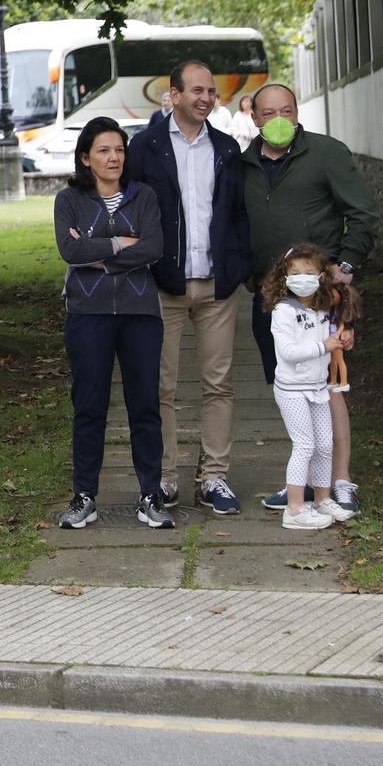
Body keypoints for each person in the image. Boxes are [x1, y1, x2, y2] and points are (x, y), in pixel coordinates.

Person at [238, 83, 380, 516]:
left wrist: (347, 264)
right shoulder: (244, 164)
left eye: (286, 110)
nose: (277, 119)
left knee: (329, 387)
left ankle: (340, 481)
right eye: (268, 112)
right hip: (271, 296)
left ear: (297, 112)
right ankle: (303, 480)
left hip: (320, 297)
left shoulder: (325, 153)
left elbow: (363, 213)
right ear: (254, 117)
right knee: (291, 388)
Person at [123, 61, 251, 515]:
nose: (205, 98)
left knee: (220, 384)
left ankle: (214, 477)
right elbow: (130, 209)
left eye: (211, 91)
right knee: (163, 387)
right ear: (173, 95)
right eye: (196, 90)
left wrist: (236, 267)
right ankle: (165, 478)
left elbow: (237, 213)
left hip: (217, 286)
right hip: (165, 287)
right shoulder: (145, 147)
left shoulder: (226, 149)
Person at [52, 116, 173, 532]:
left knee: (145, 407)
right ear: (86, 157)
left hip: (141, 314)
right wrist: (123, 243)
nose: (114, 157)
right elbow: (70, 249)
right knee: (89, 407)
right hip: (88, 315)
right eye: (103, 150)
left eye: (119, 149)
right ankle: (85, 495)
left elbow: (155, 246)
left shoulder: (144, 196)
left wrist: (97, 255)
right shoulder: (68, 199)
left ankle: (150, 494)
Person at [264, 244, 359, 530]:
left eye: (309, 272)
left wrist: (341, 339)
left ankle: (321, 499)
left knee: (324, 445)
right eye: (295, 273)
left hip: (318, 387)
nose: (303, 277)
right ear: (284, 277)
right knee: (304, 445)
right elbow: (289, 352)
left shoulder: (321, 309)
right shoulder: (283, 311)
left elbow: (333, 334)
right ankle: (294, 508)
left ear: (320, 276)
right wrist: (324, 346)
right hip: (292, 390)